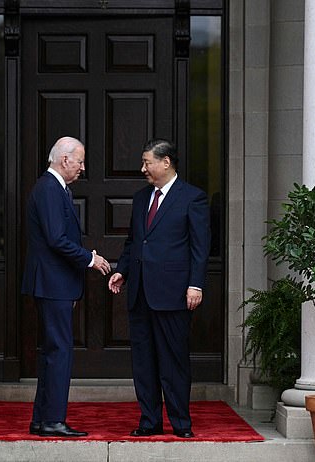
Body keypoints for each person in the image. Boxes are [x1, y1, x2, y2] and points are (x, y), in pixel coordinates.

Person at [108, 139, 211, 439]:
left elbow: (199, 247)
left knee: (174, 362)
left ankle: (181, 423)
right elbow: (134, 242)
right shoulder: (141, 199)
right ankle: (149, 421)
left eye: (146, 163)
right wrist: (121, 272)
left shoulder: (192, 198)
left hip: (174, 293)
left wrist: (196, 284)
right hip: (140, 293)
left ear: (165, 162)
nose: (143, 169)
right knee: (144, 362)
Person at [22, 136, 111, 437]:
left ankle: (42, 419)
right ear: (65, 160)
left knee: (53, 351)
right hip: (53, 283)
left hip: (55, 283)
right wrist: (90, 259)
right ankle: (53, 420)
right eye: (81, 161)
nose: (83, 168)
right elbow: (56, 239)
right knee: (59, 352)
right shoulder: (49, 189)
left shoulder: (55, 189)